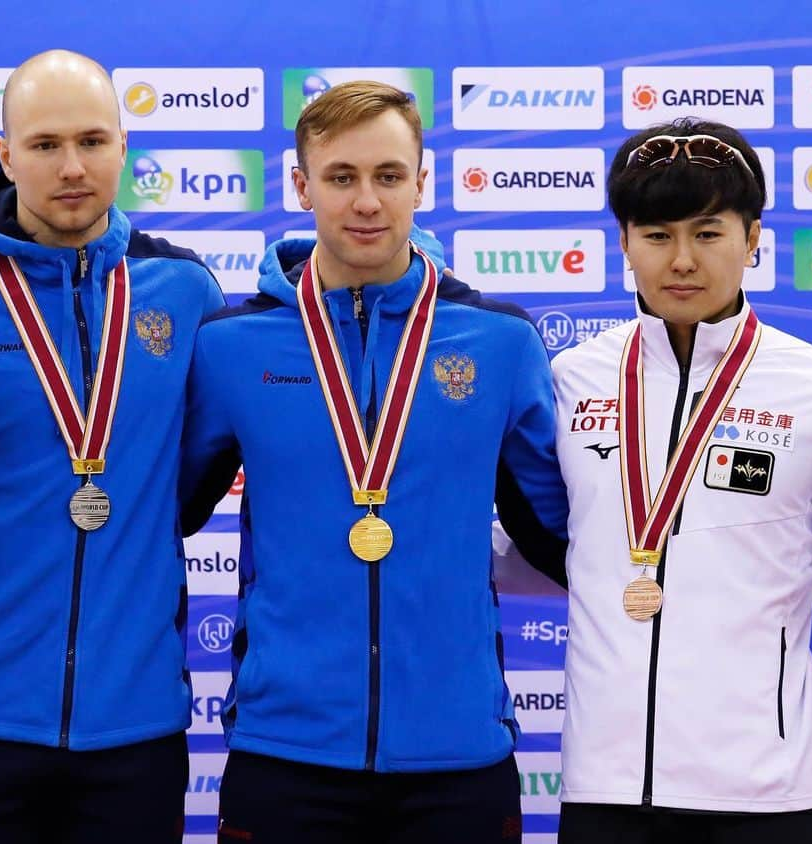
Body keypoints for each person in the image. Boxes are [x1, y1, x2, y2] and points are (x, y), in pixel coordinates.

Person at [179, 80, 568, 844]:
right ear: (302, 185)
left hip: (457, 755)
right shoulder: (231, 346)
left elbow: (564, 537)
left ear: (423, 181)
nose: (367, 202)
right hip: (285, 751)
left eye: (389, 176)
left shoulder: (499, 343)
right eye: (342, 177)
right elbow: (150, 511)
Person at [0, 49, 224, 843]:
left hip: (134, 734)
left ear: (124, 148)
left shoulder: (187, 292)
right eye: (44, 146)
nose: (72, 167)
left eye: (93, 142)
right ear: (5, 155)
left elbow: (198, 485)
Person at [551, 119, 812, 844]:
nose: (682, 260)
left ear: (754, 238)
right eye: (656, 235)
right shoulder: (572, 380)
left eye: (708, 233)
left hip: (769, 798)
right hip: (606, 793)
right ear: (623, 243)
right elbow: (538, 550)